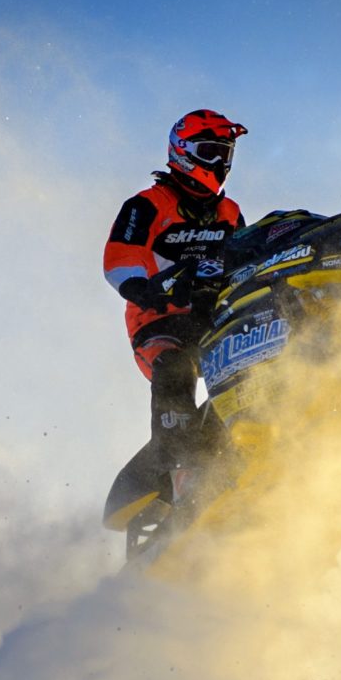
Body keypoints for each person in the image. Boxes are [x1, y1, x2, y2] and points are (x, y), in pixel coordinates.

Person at [103, 109, 247, 482]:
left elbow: (248, 258)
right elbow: (119, 257)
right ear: (182, 151)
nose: (219, 162)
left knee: (254, 362)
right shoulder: (147, 204)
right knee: (174, 367)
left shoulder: (230, 212)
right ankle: (178, 468)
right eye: (210, 151)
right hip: (157, 321)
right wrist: (145, 289)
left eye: (225, 153)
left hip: (213, 317)